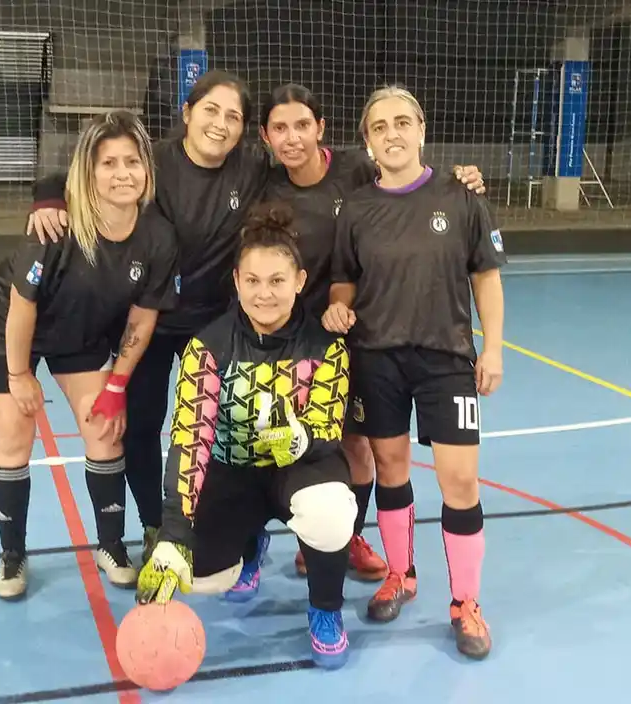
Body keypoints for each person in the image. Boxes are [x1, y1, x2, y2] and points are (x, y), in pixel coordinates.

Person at [228, 82, 489, 599]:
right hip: (283, 334)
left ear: (321, 129)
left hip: (349, 336)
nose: (292, 137)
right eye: (280, 128)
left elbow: (411, 180)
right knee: (263, 441)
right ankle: (257, 544)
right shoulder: (263, 184)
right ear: (265, 136)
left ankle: (344, 539)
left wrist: (465, 179)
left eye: (302, 125)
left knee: (358, 448)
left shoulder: (356, 172)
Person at [25, 71, 272, 568]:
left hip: (215, 320)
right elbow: (82, 170)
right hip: (148, 317)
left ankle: (234, 524)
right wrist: (48, 196)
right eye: (211, 110)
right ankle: (154, 523)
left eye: (233, 116)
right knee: (139, 426)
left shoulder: (252, 166)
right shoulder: (150, 161)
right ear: (187, 112)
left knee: (231, 425)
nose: (220, 124)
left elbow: (317, 163)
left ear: (244, 129)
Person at [326, 85, 507, 660]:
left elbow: (486, 277)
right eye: (379, 127)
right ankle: (400, 573)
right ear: (367, 142)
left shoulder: (461, 196)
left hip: (445, 359)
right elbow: (343, 281)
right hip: (376, 358)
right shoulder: (356, 209)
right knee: (390, 467)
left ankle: (466, 602)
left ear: (422, 130)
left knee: (460, 481)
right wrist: (337, 305)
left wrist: (493, 349)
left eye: (403, 122)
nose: (393, 134)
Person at [135, 202, 357, 670]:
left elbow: (328, 426)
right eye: (252, 281)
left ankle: (325, 609)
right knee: (201, 577)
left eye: (277, 281)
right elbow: (190, 437)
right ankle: (250, 546)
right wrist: (173, 533)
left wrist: (300, 440)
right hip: (232, 471)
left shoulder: (326, 348)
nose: (264, 294)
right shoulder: (207, 347)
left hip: (299, 469)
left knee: (332, 513)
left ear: (299, 281)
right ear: (236, 281)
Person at [0, 111, 179, 598]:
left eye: (132, 162)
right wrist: (18, 375)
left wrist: (117, 384)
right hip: (5, 326)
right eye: (109, 163)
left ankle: (111, 546)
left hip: (80, 331)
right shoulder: (56, 226)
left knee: (104, 428)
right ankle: (13, 555)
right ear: (89, 172)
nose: (122, 173)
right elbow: (22, 305)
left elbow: (142, 318)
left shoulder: (157, 237)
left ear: (146, 170)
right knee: (15, 433)